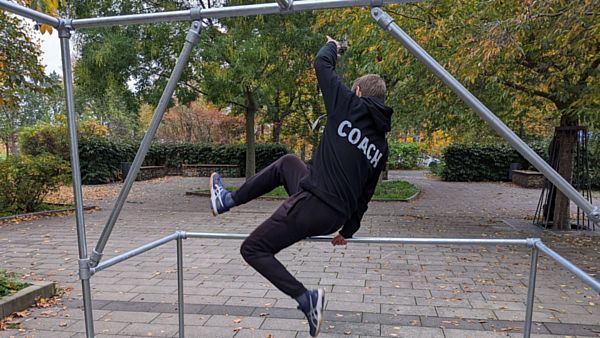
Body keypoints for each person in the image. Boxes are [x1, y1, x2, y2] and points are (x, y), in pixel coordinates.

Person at [209, 36, 393, 337]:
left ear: (358, 91)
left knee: (253, 249)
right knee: (288, 163)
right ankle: (226, 199)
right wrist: (347, 231)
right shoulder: (381, 146)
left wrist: (333, 46)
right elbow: (365, 195)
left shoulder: (348, 104)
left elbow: (322, 63)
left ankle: (306, 298)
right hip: (332, 212)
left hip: (312, 205)